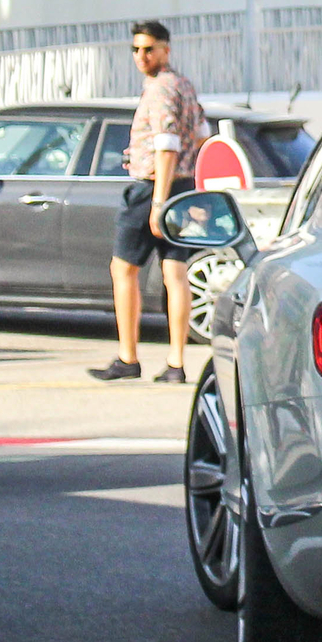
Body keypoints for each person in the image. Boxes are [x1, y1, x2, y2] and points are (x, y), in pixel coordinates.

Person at [91, 21, 205, 384]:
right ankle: (176, 362)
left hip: (152, 188)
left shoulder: (159, 89)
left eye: (149, 49)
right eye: (136, 49)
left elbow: (167, 144)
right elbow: (202, 135)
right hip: (183, 186)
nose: (141, 56)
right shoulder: (184, 85)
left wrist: (158, 202)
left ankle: (128, 356)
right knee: (175, 273)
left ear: (165, 50)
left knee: (123, 269)